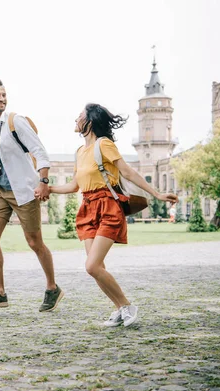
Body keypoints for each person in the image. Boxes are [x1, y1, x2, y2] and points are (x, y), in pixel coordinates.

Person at [50, 103, 178, 327]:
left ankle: (127, 306)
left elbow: (128, 172)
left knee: (91, 265)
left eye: (79, 116)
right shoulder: (79, 152)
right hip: (87, 208)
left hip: (107, 206)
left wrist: (156, 194)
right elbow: (73, 186)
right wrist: (48, 189)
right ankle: (119, 309)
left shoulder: (104, 144)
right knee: (96, 268)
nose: (75, 119)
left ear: (89, 122)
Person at [0, 77, 63, 311]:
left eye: (3, 94)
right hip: (0, 191)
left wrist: (43, 181)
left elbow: (40, 152)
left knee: (34, 242)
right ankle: (0, 293)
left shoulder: (16, 121)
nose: (1, 98)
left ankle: (52, 288)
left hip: (24, 190)